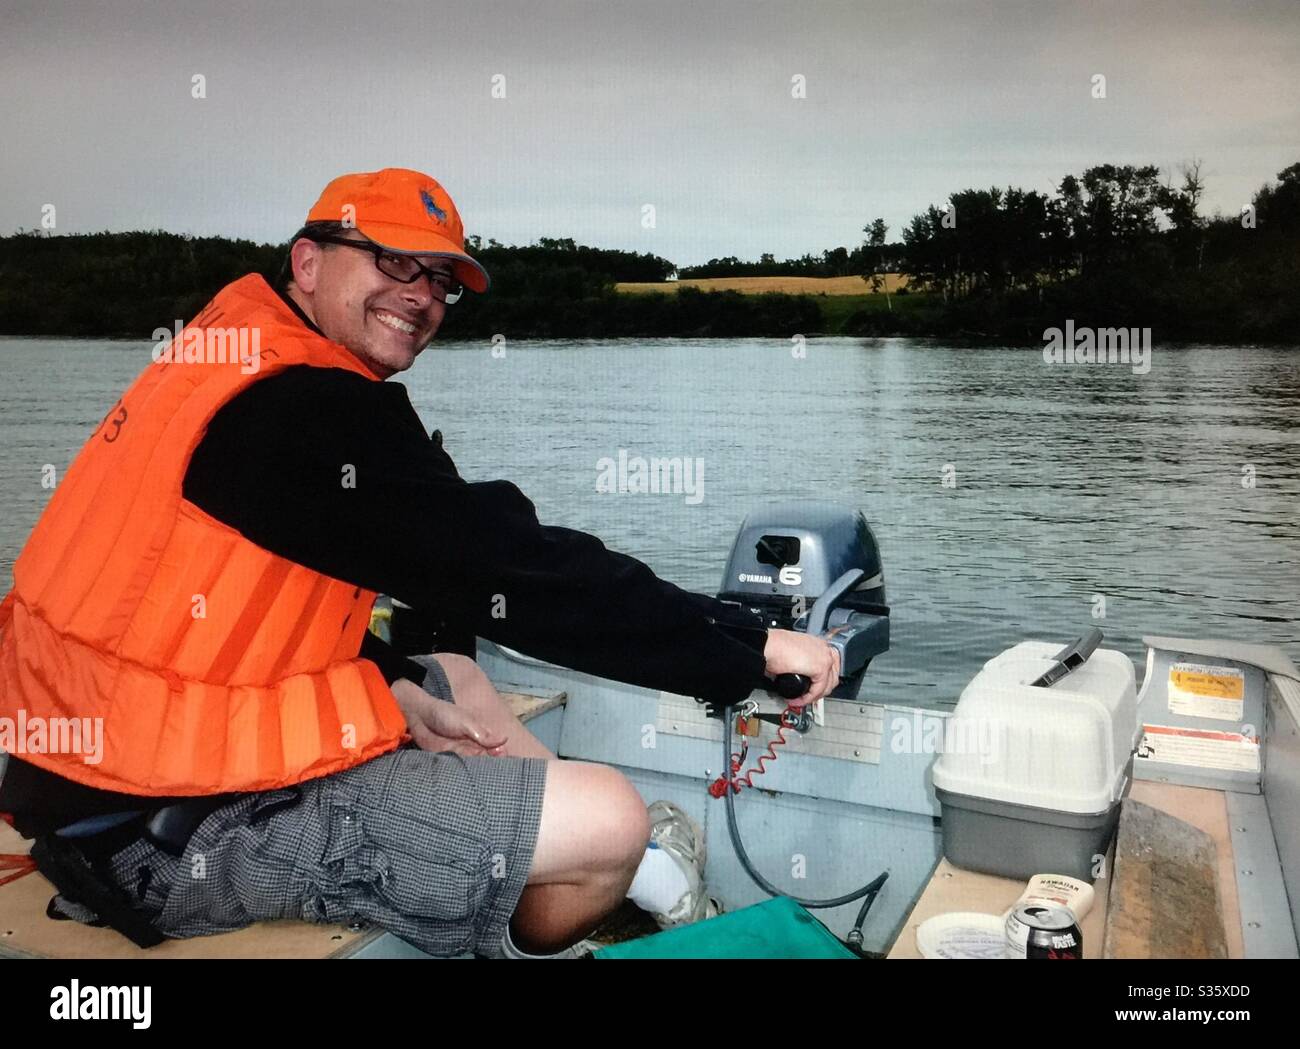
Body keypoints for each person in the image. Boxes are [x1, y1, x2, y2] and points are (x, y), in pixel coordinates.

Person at [0, 167, 840, 958]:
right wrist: (752, 650)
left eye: (440, 279)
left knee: (453, 679)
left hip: (94, 770)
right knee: (608, 820)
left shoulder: (230, 360)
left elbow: (200, 605)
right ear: (308, 261)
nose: (422, 296)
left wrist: (394, 676)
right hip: (160, 835)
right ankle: (569, 907)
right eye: (394, 260)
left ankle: (573, 860)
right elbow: (517, 572)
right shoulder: (304, 412)